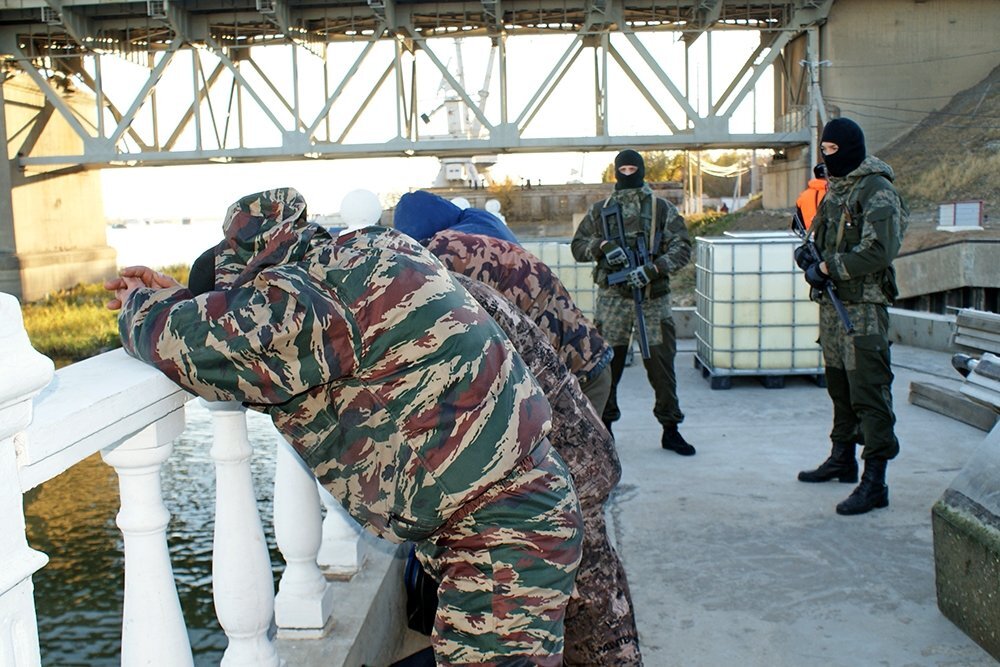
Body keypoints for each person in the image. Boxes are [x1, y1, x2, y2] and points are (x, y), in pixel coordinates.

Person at [104, 187, 583, 664]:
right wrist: (190, 300)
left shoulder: (315, 295)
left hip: (499, 539)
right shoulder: (368, 251)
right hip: (517, 512)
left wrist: (140, 305)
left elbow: (203, 350)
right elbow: (287, 368)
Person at [454, 274, 642, 665]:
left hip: (567, 465)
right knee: (587, 599)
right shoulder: (440, 279)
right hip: (562, 455)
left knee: (592, 606)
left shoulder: (438, 302)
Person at [394, 192, 614, 414]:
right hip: (581, 363)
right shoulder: (483, 234)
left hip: (573, 375)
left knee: (581, 447)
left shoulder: (445, 256)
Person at [794, 118, 908, 516]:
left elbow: (879, 251)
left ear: (847, 149)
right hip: (833, 307)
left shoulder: (877, 191)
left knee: (870, 393)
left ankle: (875, 480)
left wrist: (827, 269)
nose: (824, 157)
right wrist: (808, 254)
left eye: (829, 150)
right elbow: (823, 239)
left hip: (862, 311)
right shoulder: (836, 191)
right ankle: (842, 457)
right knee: (840, 388)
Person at [571, 149, 695, 456]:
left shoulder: (661, 209)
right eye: (622, 168)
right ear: (615, 172)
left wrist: (654, 269)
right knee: (606, 370)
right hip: (613, 302)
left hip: (653, 303)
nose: (628, 173)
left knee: (662, 368)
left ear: (641, 170)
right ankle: (604, 429)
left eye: (632, 168)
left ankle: (670, 429)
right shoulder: (600, 211)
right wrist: (602, 246)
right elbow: (578, 246)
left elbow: (682, 248)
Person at [795, 162, 828, 230]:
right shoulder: (833, 194)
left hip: (809, 234)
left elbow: (799, 217)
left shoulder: (803, 195)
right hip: (829, 234)